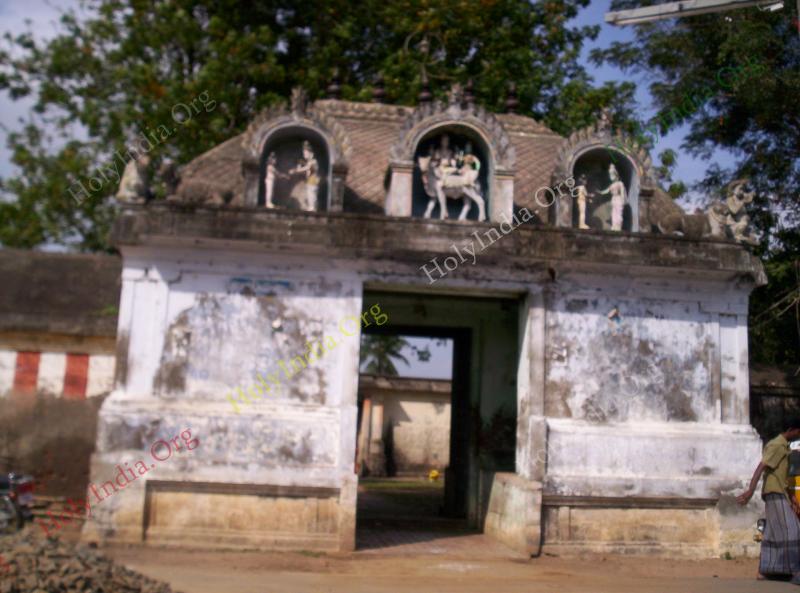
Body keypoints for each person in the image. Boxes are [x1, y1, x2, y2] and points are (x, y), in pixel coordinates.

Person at [738, 423, 800, 583]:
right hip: (774, 493)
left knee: (772, 532)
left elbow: (781, 476)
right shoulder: (777, 445)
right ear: (790, 430)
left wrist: (791, 496)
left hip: (779, 492)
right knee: (792, 529)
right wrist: (750, 492)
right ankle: (794, 570)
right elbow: (761, 467)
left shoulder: (784, 446)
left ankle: (765, 571)